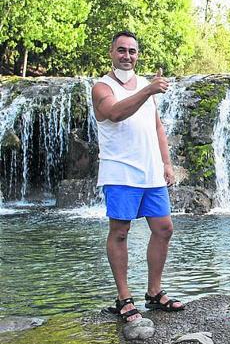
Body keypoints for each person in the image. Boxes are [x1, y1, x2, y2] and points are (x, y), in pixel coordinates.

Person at [92, 30, 184, 323]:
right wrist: (147, 91)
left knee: (164, 229)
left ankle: (154, 293)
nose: (127, 56)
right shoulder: (102, 87)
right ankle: (123, 298)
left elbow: (156, 126)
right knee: (120, 232)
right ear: (111, 52)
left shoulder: (145, 84)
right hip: (120, 170)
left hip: (151, 171)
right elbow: (115, 114)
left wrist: (166, 163)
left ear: (137, 55)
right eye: (121, 50)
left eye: (132, 51)